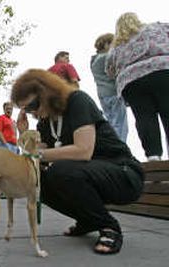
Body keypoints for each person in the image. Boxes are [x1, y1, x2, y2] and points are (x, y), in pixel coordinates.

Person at [11, 69, 144, 255]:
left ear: (47, 92)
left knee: (61, 170)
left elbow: (83, 151)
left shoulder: (77, 101)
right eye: (26, 109)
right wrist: (24, 134)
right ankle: (89, 219)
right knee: (34, 178)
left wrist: (38, 156)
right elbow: (34, 154)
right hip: (88, 175)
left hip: (122, 174)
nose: (32, 112)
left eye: (33, 105)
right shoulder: (45, 121)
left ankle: (109, 227)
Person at [106, 12, 169, 161]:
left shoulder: (117, 44)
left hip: (132, 81)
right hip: (163, 71)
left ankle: (153, 156)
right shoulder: (156, 28)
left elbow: (109, 69)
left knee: (144, 118)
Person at [90, 33, 128, 142]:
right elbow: (116, 74)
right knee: (120, 124)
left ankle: (112, 146)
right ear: (106, 44)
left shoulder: (94, 60)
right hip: (114, 93)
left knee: (111, 122)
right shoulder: (107, 57)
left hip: (103, 95)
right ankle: (120, 148)